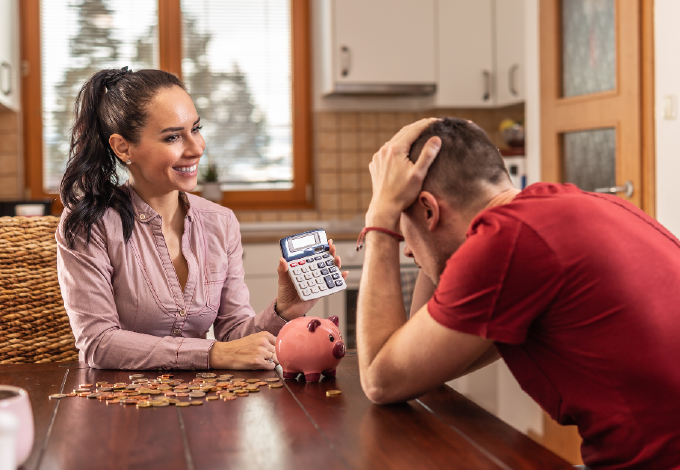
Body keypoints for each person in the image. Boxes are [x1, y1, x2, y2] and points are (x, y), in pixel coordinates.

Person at [356, 117, 680, 469]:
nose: (406, 250)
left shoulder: (506, 244)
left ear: (430, 210)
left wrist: (381, 217)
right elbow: (422, 365)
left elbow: (380, 380)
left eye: (407, 233)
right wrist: (426, 240)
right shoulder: (581, 207)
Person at [56, 67, 346, 371]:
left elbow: (233, 335)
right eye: (172, 137)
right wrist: (212, 354)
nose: (196, 148)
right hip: (118, 406)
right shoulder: (90, 224)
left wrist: (285, 310)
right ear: (123, 147)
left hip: (202, 403)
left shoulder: (221, 223)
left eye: (196, 128)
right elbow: (99, 343)